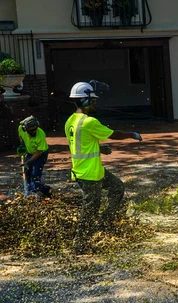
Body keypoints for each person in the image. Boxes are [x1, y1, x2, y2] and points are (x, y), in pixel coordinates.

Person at [65, 81, 143, 254]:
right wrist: (132, 134)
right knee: (90, 210)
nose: (95, 103)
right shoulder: (89, 122)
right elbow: (113, 135)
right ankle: (80, 245)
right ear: (85, 101)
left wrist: (98, 148)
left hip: (90, 170)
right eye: (92, 100)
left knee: (117, 187)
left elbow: (78, 143)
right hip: (89, 174)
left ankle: (105, 223)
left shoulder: (70, 121)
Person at [17, 115, 52, 197]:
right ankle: (29, 191)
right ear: (25, 129)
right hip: (29, 152)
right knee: (27, 173)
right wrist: (22, 145)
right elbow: (20, 136)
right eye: (31, 130)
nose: (34, 131)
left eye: (35, 129)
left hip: (41, 154)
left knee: (35, 176)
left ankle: (46, 190)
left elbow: (39, 152)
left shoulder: (41, 134)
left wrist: (28, 162)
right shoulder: (21, 128)